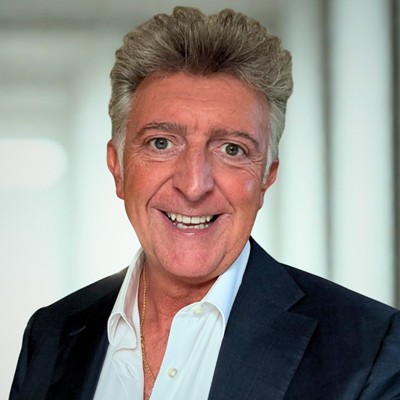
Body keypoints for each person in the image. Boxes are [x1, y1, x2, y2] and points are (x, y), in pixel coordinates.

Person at [9, 6, 400, 400]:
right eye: (161, 143)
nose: (194, 186)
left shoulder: (370, 351)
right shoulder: (51, 334)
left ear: (266, 177)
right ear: (118, 168)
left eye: (231, 149)